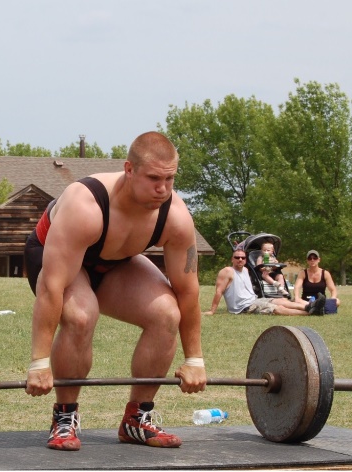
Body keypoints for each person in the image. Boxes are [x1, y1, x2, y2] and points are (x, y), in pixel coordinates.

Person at [24, 131, 206, 451]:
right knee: (81, 316)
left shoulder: (175, 217)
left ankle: (137, 418)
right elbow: (52, 288)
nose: (162, 188)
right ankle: (64, 417)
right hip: (52, 257)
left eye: (170, 179)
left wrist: (195, 359)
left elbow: (188, 291)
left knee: (167, 314)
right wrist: (39, 363)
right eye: (153, 178)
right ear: (129, 169)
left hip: (114, 261)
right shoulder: (85, 204)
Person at [202, 248, 326, 316]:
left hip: (254, 299)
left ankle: (310, 306)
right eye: (237, 257)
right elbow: (219, 291)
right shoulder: (227, 271)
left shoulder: (245, 270)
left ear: (245, 259)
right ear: (232, 259)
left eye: (243, 257)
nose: (240, 259)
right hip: (244, 307)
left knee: (282, 300)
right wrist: (212, 311)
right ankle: (309, 313)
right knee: (276, 308)